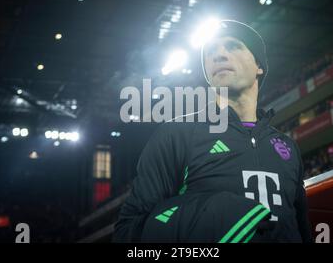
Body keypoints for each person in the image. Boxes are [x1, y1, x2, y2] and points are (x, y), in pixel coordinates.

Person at [113, 20, 312, 243]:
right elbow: (128, 233)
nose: (218, 55)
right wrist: (210, 217)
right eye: (210, 52)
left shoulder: (288, 147)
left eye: (234, 46)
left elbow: (303, 231)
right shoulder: (177, 134)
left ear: (259, 66)